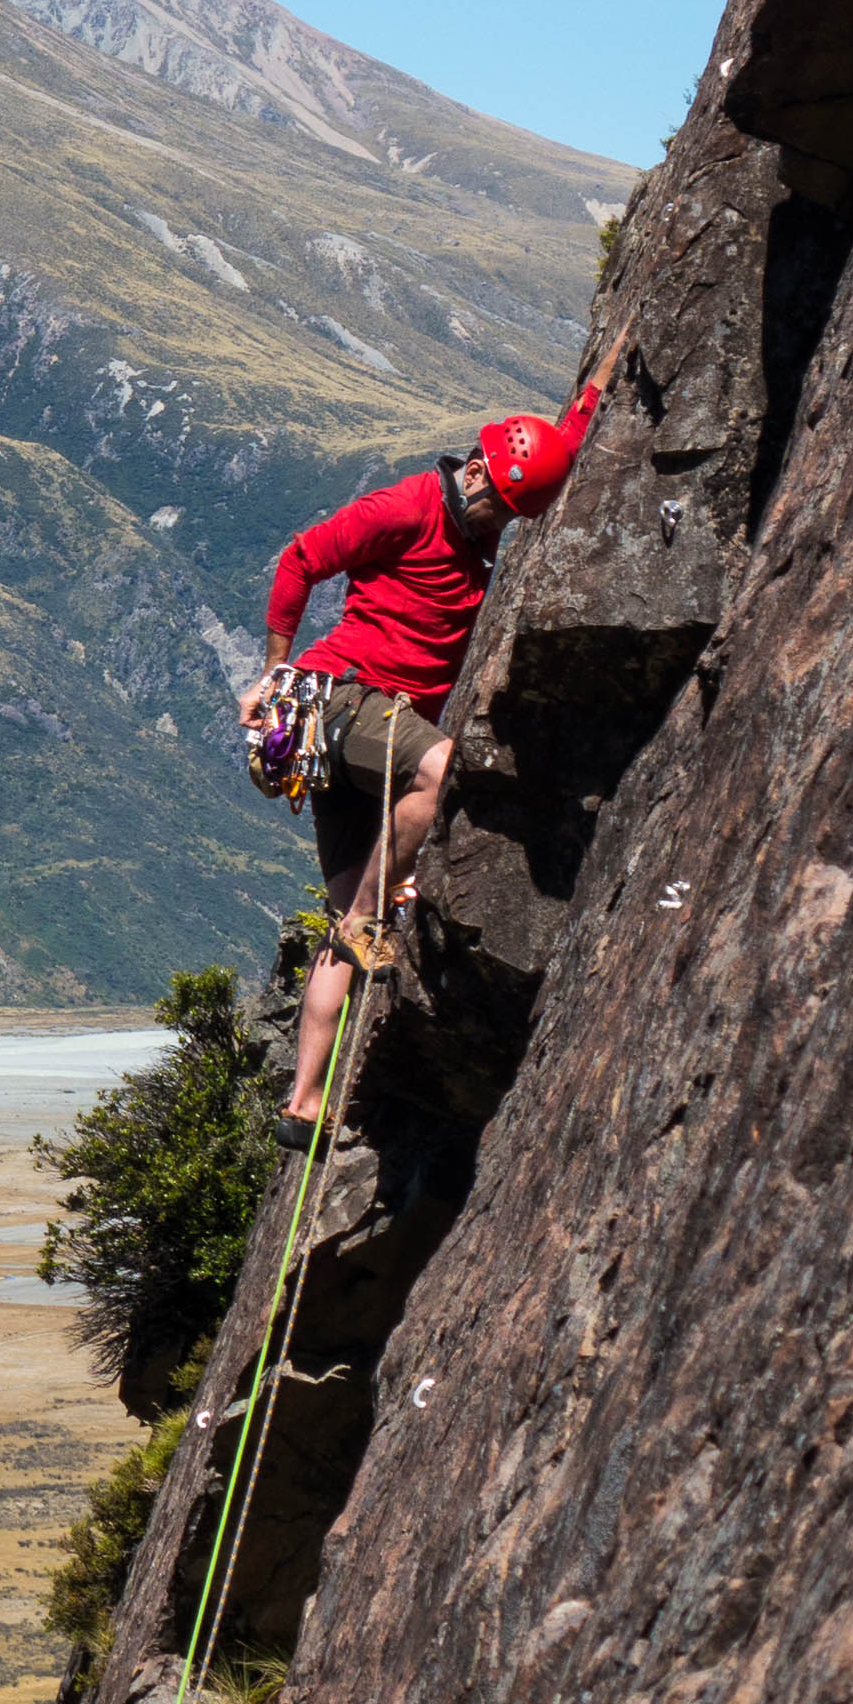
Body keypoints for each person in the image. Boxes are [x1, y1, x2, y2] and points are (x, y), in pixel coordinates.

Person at [238, 338, 621, 1143]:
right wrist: (274, 676)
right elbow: (301, 559)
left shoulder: (494, 503)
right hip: (343, 701)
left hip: (359, 742)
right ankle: (372, 916)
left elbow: (554, 448)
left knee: (347, 921)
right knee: (442, 770)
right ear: (475, 472)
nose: (497, 527)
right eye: (497, 511)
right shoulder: (405, 507)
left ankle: (301, 1104)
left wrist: (599, 385)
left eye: (511, 519)